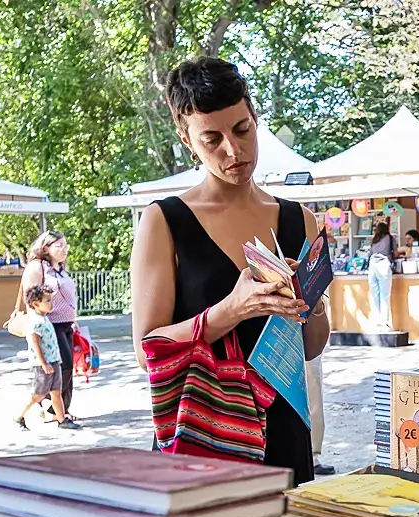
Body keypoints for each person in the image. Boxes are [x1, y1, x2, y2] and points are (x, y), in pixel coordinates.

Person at [130, 56, 329, 485]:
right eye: (212, 139)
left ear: (255, 118)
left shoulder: (301, 221)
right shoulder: (165, 221)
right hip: (202, 432)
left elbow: (311, 347)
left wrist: (307, 305)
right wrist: (232, 310)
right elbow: (146, 350)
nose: (233, 151)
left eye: (242, 130)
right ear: (187, 139)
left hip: (283, 428)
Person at [18, 231, 78, 420]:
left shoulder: (60, 268)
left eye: (65, 245)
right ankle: (50, 407)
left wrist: (74, 320)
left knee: (69, 368)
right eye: (58, 245)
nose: (63, 249)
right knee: (64, 366)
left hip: (66, 324)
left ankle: (62, 410)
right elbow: (31, 298)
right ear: (46, 248)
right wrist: (36, 324)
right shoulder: (37, 267)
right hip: (49, 326)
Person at [15, 287, 80, 431]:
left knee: (56, 392)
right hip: (43, 364)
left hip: (54, 361)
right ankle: (19, 416)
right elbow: (35, 343)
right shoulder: (35, 322)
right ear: (36, 303)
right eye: (48, 301)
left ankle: (62, 420)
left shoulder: (45, 319)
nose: (51, 304)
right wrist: (43, 363)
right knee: (39, 394)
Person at [367, 221, 395, 328]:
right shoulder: (390, 238)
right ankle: (385, 322)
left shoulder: (374, 240)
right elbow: (395, 252)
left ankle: (376, 321)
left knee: (375, 295)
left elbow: (370, 253)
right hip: (383, 264)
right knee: (385, 295)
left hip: (372, 265)